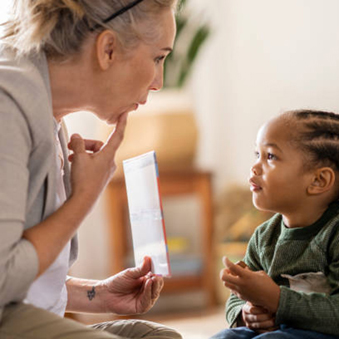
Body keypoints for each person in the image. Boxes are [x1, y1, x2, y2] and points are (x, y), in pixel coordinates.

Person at [0, 0, 182, 338]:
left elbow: (27, 278)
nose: (158, 81)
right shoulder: (6, 105)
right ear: (108, 49)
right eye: (158, 58)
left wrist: (99, 295)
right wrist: (84, 196)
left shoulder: (51, 113)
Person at [211, 110, 339, 339]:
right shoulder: (264, 236)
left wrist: (277, 300)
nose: (254, 167)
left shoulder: (334, 232)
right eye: (256, 154)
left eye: (270, 156)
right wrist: (246, 312)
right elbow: (236, 299)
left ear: (319, 180)